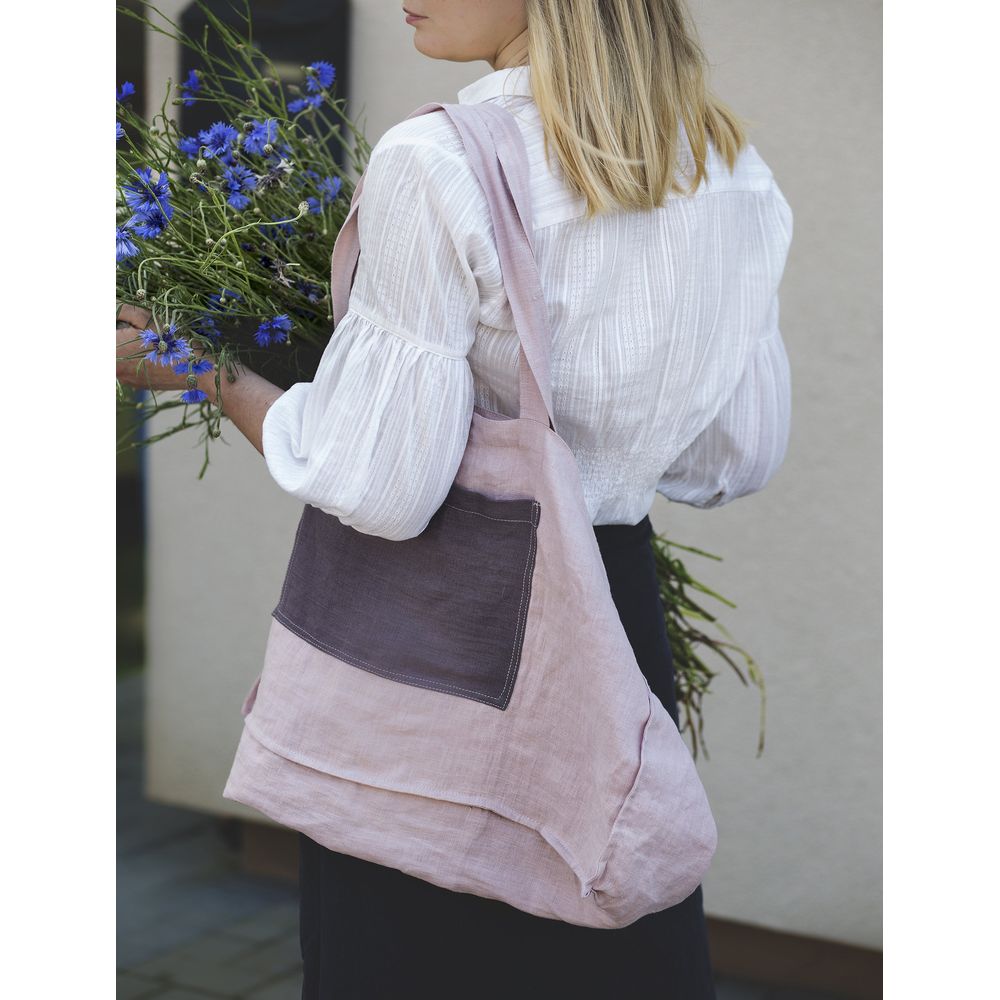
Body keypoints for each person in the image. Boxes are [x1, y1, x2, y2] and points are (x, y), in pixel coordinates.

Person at [117, 1, 792, 996]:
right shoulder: (727, 170)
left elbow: (379, 485)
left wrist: (206, 374)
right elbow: (730, 456)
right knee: (600, 943)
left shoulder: (438, 161)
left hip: (436, 646)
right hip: (608, 622)